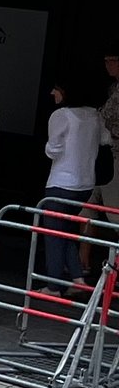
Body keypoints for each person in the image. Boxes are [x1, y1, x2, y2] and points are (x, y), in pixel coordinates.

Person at [37, 69, 113, 289]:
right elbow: (106, 140)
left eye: (57, 88)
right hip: (84, 184)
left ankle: (53, 287)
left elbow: (53, 150)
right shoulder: (93, 115)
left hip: (61, 183)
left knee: (52, 235)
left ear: (67, 91)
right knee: (66, 230)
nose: (53, 92)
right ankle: (78, 279)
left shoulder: (61, 115)